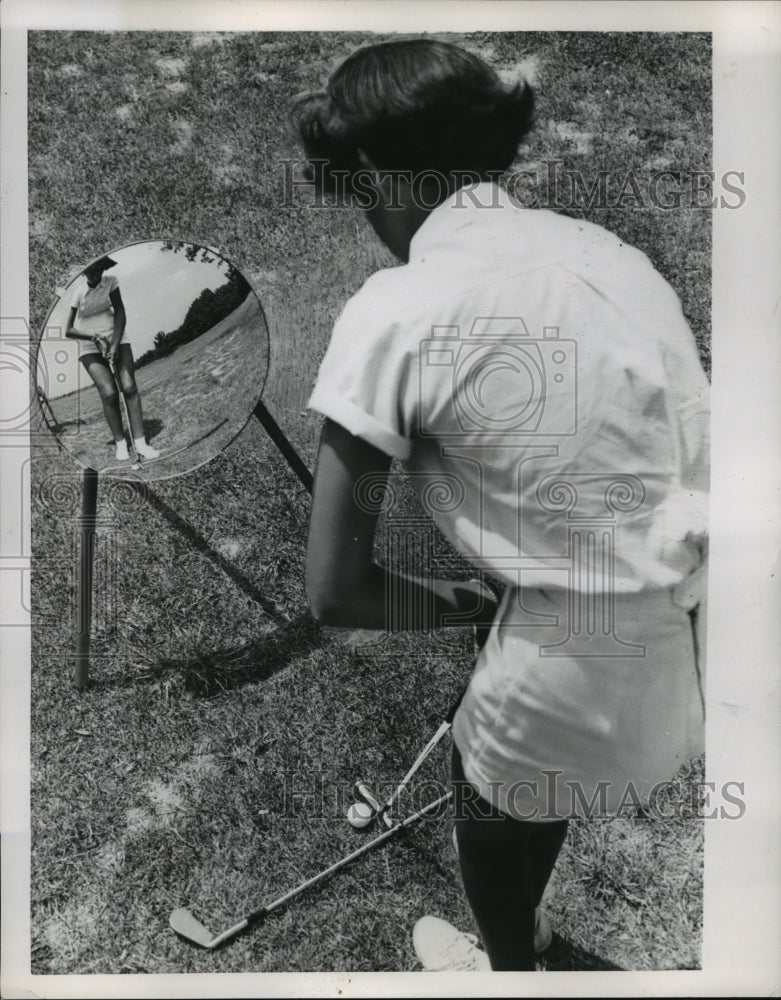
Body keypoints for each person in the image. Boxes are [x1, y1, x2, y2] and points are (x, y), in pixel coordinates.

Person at [296, 38, 709, 971]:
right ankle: (523, 943)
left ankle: (504, 967)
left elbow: (336, 592)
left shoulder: (394, 309)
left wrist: (469, 605)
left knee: (491, 808)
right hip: (703, 638)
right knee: (538, 792)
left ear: (367, 169)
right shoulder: (607, 252)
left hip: (572, 666)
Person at [66, 255, 159, 462]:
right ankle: (121, 445)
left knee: (129, 387)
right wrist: (94, 337)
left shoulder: (111, 282)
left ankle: (141, 443)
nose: (94, 272)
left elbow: (120, 312)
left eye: (98, 267)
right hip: (90, 344)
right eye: (89, 269)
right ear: (83, 272)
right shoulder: (78, 293)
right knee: (108, 393)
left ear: (102, 267)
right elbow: (68, 330)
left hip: (116, 336)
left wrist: (115, 344)